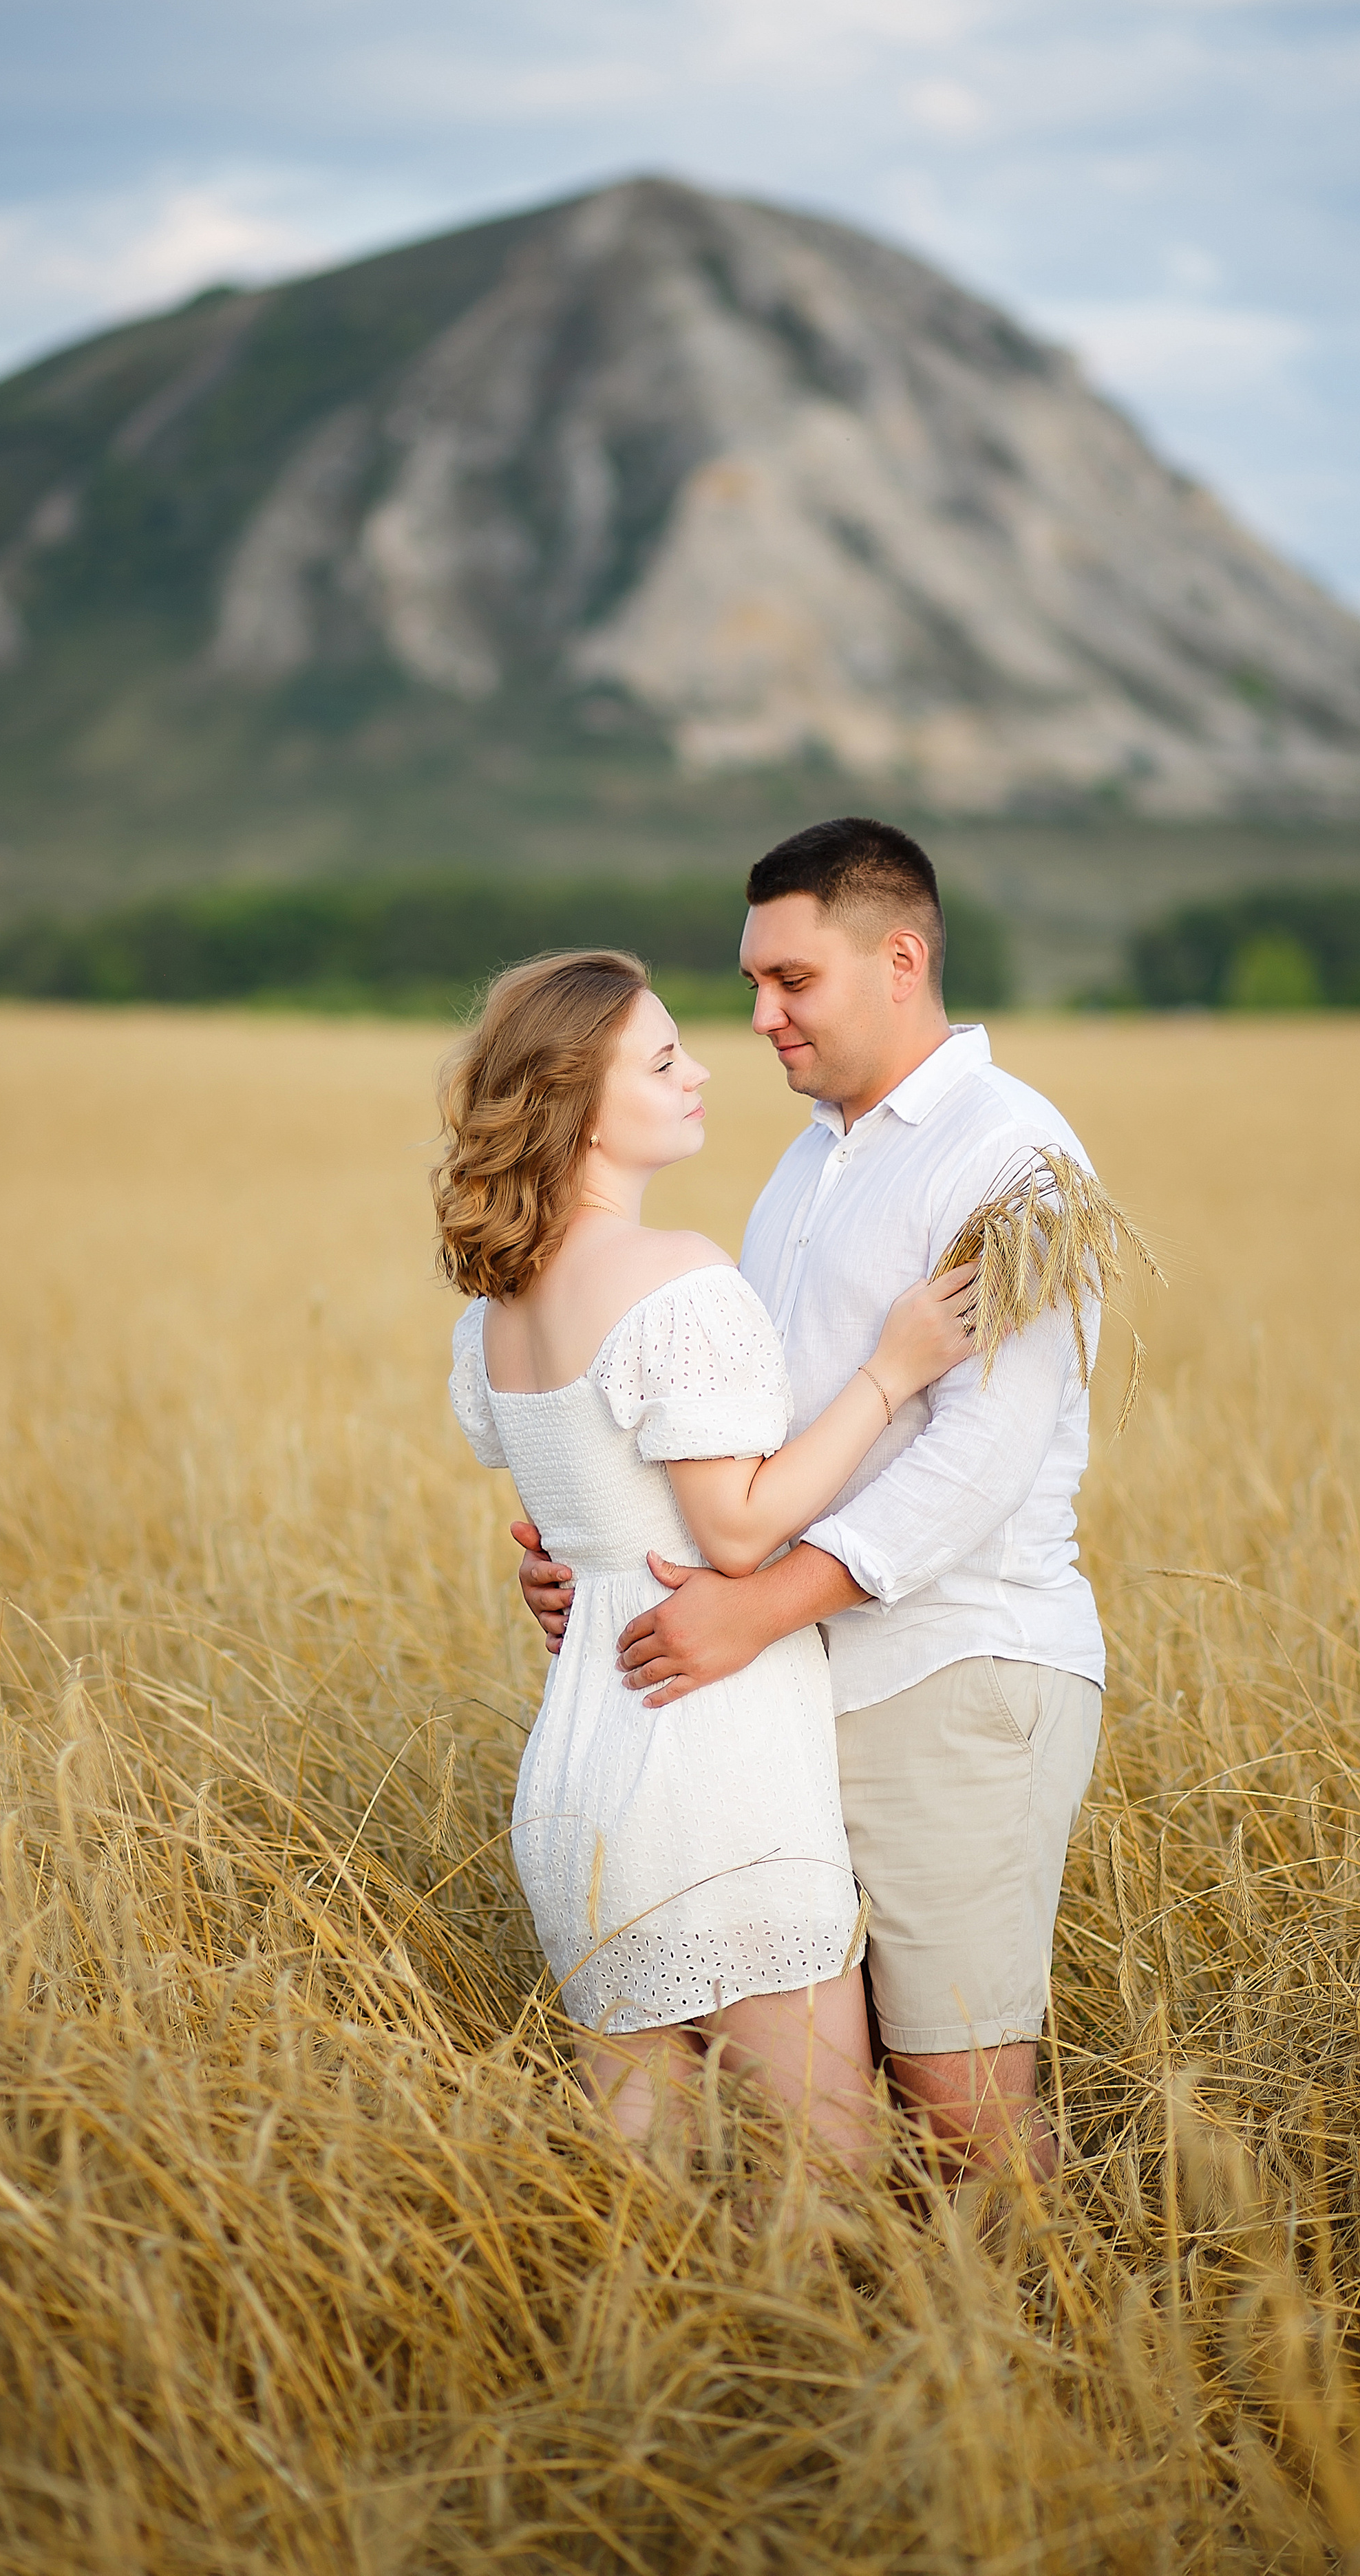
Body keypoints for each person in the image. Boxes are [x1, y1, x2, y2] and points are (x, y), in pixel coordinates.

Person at [517, 819, 1107, 2182]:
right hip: (795, 1683)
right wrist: (601, 1558)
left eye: (792, 982)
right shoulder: (812, 1158)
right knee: (858, 2101)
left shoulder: (1013, 1156)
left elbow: (983, 1455)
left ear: (898, 959)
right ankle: (887, 2363)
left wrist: (756, 1607)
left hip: (955, 1667)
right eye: (750, 985)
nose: (761, 1017)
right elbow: (747, 1434)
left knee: (957, 2090)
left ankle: (1044, 2372)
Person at [436, 947, 975, 2168]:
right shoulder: (675, 1277)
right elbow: (733, 1532)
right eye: (665, 1058)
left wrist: (560, 1573)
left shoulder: (495, 1312)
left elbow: (573, 1537)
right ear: (577, 1098)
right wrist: (893, 1370)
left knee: (646, 2183)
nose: (701, 1071)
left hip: (582, 1763)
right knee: (826, 2172)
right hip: (712, 1755)